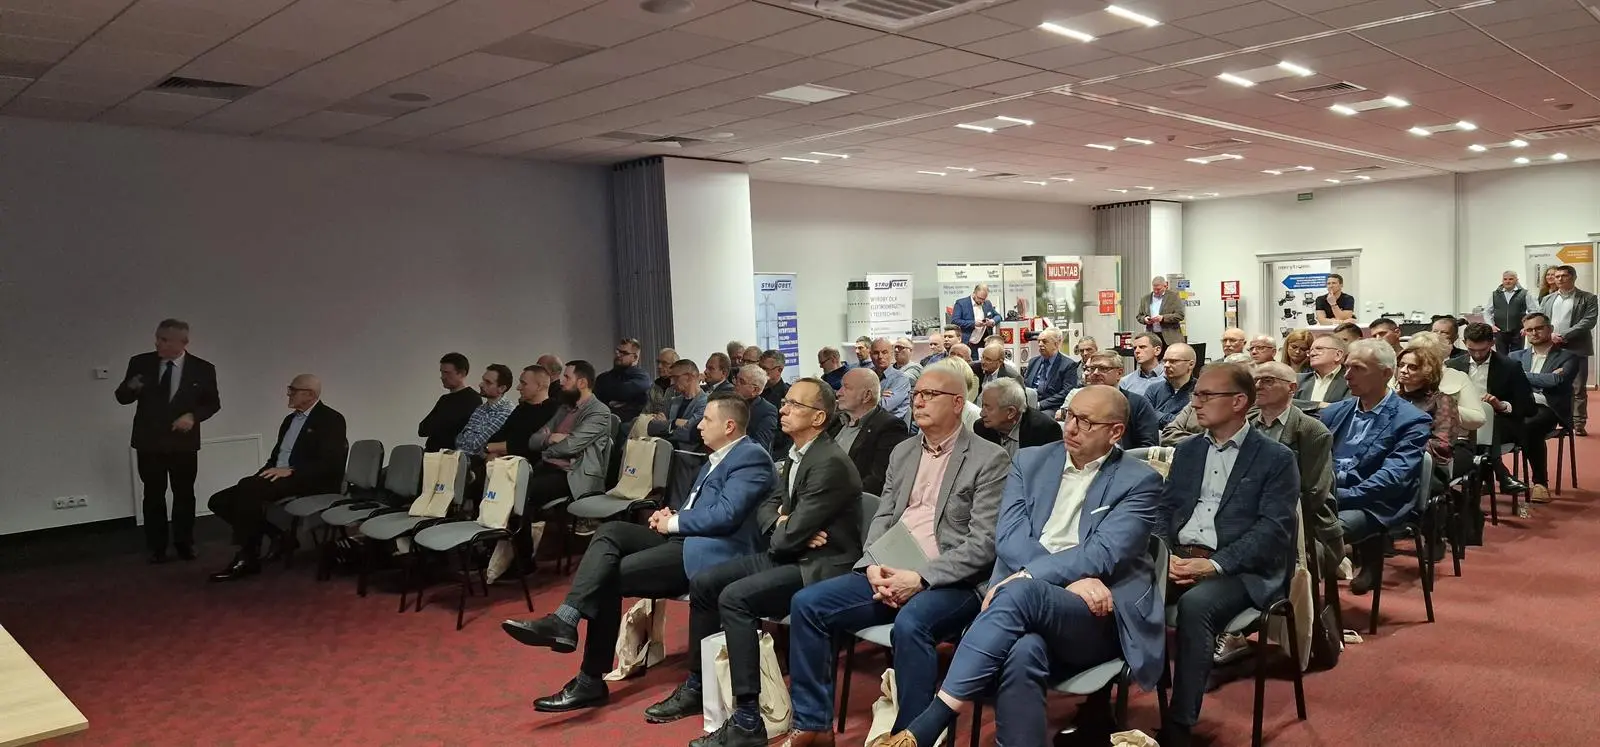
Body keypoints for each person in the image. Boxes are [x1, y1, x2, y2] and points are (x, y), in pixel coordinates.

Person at [876, 386, 1164, 747]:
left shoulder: (1139, 480)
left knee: (1021, 591)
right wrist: (1059, 581)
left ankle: (933, 721)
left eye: (1086, 422)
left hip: (1095, 613)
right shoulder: (1029, 461)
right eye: (1069, 416)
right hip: (1032, 605)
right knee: (1024, 651)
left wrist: (1031, 578)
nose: (1071, 427)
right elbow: (1009, 539)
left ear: (1116, 432)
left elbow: (1101, 554)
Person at [780, 366, 1009, 747]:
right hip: (889, 569)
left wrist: (920, 578)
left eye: (930, 395)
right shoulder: (903, 451)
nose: (918, 401)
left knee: (911, 624)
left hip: (951, 581)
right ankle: (814, 726)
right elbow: (884, 517)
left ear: (957, 403)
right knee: (807, 604)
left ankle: (909, 737)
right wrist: (872, 565)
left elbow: (983, 543)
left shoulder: (989, 458)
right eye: (916, 393)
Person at [501, 397, 775, 712]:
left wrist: (674, 522)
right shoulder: (718, 457)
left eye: (707, 420)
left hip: (710, 552)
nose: (699, 425)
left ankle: (589, 677)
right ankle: (566, 620)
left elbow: (726, 514)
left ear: (729, 426)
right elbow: (706, 508)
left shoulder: (751, 457)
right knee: (610, 531)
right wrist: (673, 515)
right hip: (685, 540)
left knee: (604, 578)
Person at [671, 379, 864, 747]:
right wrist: (782, 523)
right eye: (785, 402)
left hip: (819, 564)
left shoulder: (829, 463)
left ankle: (747, 720)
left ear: (818, 417)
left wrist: (785, 528)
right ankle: (698, 683)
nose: (783, 409)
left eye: (795, 405)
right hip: (791, 553)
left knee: (735, 598)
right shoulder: (796, 453)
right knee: (706, 582)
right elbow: (768, 509)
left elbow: (787, 537)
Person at [1158, 363, 1299, 747]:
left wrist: (1214, 564)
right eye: (1196, 395)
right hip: (1180, 558)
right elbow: (1164, 510)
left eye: (1206, 395)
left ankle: (1179, 724)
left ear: (1238, 402)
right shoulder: (1188, 450)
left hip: (1241, 569)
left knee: (1196, 606)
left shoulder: (1275, 458)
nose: (1196, 403)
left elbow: (1272, 530)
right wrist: (1164, 556)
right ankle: (1101, 704)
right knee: (1119, 588)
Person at [206, 375, 347, 582]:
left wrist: (292, 470)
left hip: (308, 480)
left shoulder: (331, 419)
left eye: (293, 390)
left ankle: (248, 555)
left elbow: (330, 463)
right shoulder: (289, 420)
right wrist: (263, 473)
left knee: (248, 488)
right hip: (281, 476)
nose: (288, 394)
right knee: (218, 500)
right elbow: (275, 458)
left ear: (309, 394)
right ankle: (279, 536)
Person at [1320, 341, 1431, 595]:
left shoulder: (1411, 420)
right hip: (1329, 495)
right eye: (1347, 367)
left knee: (1317, 535)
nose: (1347, 376)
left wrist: (1339, 496)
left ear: (1386, 373)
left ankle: (1319, 608)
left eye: (1358, 368)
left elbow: (1392, 478)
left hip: (1374, 503)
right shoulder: (1335, 412)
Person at [116, 318, 221, 564]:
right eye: (157, 338)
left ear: (183, 342)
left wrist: (193, 416)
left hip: (183, 443)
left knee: (184, 493)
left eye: (164, 340)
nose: (158, 343)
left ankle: (185, 543)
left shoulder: (203, 368)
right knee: (153, 494)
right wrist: (131, 386)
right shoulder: (140, 363)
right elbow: (122, 397)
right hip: (149, 442)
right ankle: (156, 547)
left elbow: (212, 403)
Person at [1252, 362, 1342, 576]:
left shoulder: (1312, 431)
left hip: (1302, 523)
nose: (1257, 386)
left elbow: (1313, 493)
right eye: (1255, 380)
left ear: (1291, 388)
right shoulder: (1247, 425)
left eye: (1267, 380)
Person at [1446, 324, 1534, 499]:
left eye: (1483, 350)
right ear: (1464, 342)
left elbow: (1528, 406)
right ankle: (1501, 475)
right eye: (1472, 350)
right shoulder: (1453, 365)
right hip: (1463, 422)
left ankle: (1473, 492)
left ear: (1492, 343)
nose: (1478, 355)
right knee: (1473, 431)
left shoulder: (1509, 366)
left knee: (1486, 423)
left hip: (1501, 421)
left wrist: (1501, 405)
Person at [523, 361, 614, 518]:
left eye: (567, 377)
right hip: (548, 467)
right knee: (510, 483)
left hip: (573, 475)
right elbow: (533, 440)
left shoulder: (599, 411)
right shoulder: (565, 409)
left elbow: (570, 446)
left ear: (582, 383)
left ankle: (521, 533)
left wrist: (547, 450)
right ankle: (512, 532)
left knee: (526, 491)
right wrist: (550, 438)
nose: (561, 382)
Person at [1512, 312, 1580, 504]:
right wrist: (1546, 378)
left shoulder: (1568, 357)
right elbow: (1548, 379)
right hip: (1517, 404)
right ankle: (1496, 475)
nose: (1534, 333)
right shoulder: (1515, 356)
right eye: (1529, 330)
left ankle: (1540, 483)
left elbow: (1556, 381)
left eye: (1539, 328)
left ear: (1550, 329)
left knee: (1529, 426)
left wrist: (1520, 375)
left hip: (1548, 408)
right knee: (1485, 421)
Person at [832, 368, 911, 495]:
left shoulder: (890, 428)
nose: (838, 393)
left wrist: (834, 497)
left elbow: (876, 481)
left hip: (849, 499)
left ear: (866, 396)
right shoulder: (836, 421)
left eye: (846, 388)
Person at [1541, 264, 1597, 435]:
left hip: (1577, 347)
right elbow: (1541, 320)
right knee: (1552, 384)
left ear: (1573, 277)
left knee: (1578, 387)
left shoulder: (1588, 298)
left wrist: (1563, 335)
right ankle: (1553, 420)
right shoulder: (1547, 299)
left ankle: (1578, 423)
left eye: (1564, 276)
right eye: (1557, 276)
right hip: (1553, 347)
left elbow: (1589, 321)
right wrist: (1549, 336)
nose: (1559, 279)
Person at [1063, 352, 1159, 451]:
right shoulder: (1080, 400)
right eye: (1092, 368)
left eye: (1103, 368)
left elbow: (1148, 446)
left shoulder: (1138, 403)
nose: (1095, 373)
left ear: (1119, 373)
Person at [1395, 346, 1464, 467]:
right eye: (1401, 365)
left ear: (1428, 372)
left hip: (1423, 464)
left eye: (1412, 367)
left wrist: (1401, 445)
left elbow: (1443, 445)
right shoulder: (1393, 400)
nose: (1403, 370)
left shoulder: (1441, 401)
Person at [485, 365, 559, 459]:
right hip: (502, 462)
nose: (518, 387)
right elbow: (497, 437)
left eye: (524, 383)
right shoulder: (521, 408)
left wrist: (491, 448)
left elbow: (527, 445)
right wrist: (493, 450)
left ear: (539, 386)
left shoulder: (552, 410)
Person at [975, 378, 1062, 454]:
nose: (981, 414)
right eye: (983, 406)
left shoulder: (1045, 430)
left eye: (988, 407)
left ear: (1011, 412)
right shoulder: (981, 428)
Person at [418, 352, 480, 452]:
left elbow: (461, 432)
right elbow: (423, 429)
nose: (442, 377)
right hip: (431, 452)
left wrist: (440, 423)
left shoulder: (472, 399)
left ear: (462, 373)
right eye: (442, 372)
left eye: (447, 373)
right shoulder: (444, 399)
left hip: (451, 455)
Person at [453, 364, 516, 457]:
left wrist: (467, 440)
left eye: (488, 382)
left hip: (480, 463)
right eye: (483, 380)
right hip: (461, 459)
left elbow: (477, 445)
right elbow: (458, 440)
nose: (481, 384)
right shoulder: (480, 408)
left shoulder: (506, 412)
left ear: (502, 388)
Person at [648, 359, 707, 450]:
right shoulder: (673, 401)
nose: (671, 382)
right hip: (665, 451)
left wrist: (667, 425)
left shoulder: (706, 403)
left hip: (688, 455)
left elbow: (690, 433)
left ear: (689, 378)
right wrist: (675, 423)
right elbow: (651, 427)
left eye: (675, 378)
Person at [594, 338, 652, 425]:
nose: (618, 355)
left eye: (624, 353)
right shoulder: (603, 377)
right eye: (618, 351)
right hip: (603, 421)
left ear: (635, 357)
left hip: (630, 425)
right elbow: (595, 400)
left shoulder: (642, 377)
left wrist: (610, 395)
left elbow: (623, 391)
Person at [1023, 328, 1079, 411]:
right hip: (1029, 404)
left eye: (1044, 341)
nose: (1040, 344)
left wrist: (1040, 405)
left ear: (1056, 344)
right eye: (1039, 341)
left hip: (1051, 407)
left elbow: (1066, 392)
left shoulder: (1068, 365)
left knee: (1039, 417)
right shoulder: (1033, 361)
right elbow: (1025, 385)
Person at [730, 365, 779, 453]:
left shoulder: (767, 411)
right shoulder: (727, 402)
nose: (736, 383)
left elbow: (760, 446)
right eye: (736, 379)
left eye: (741, 381)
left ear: (755, 390)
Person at [1149, 342, 1197, 427]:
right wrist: (1173, 419)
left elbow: (1190, 424)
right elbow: (1144, 416)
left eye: (1173, 361)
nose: (1166, 365)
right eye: (1164, 361)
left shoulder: (1200, 392)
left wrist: (1157, 415)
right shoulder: (1153, 389)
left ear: (1191, 364)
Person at [1295, 335, 1350, 410]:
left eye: (1319, 349)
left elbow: (1346, 409)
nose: (1312, 354)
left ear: (1338, 355)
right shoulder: (1299, 379)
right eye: (1311, 350)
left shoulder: (1351, 380)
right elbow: (1285, 403)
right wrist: (1318, 405)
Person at [868, 337, 913, 420]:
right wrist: (879, 395)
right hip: (867, 423)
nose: (880, 356)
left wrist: (868, 396)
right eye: (876, 353)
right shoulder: (867, 375)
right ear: (870, 355)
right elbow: (852, 400)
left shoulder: (901, 379)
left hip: (889, 425)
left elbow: (883, 407)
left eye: (884, 352)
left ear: (891, 354)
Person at [1489, 271, 1532, 355]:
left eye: (1511, 279)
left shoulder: (1525, 293)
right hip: (1500, 331)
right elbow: (1487, 311)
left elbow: (1533, 311)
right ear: (1502, 280)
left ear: (1516, 280)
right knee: (1501, 357)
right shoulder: (1495, 294)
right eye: (1505, 279)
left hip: (1518, 332)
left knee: (1516, 356)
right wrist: (1491, 325)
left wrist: (1527, 327)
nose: (1507, 281)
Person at [1137, 275, 1186, 348]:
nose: (1156, 291)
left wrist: (1163, 318)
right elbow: (1139, 316)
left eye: (1158, 289)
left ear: (1165, 286)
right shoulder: (1145, 299)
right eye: (1154, 289)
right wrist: (1145, 319)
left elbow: (1180, 315)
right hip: (1152, 337)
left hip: (1170, 338)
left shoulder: (1173, 297)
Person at [951, 284, 1001, 355]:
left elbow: (998, 316)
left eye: (983, 299)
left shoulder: (987, 303)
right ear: (974, 293)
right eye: (979, 298)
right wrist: (973, 323)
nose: (981, 301)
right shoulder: (961, 303)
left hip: (983, 344)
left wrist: (992, 321)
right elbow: (955, 321)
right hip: (967, 343)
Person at [1120, 332, 1165, 398]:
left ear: (1157, 350)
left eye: (1142, 347)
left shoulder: (1170, 378)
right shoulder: (1126, 382)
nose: (1137, 351)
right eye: (1135, 348)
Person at [644, 348, 681, 417]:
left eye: (664, 363)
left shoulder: (682, 386)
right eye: (658, 362)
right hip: (654, 421)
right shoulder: (653, 387)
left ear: (675, 365)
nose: (659, 366)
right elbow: (646, 412)